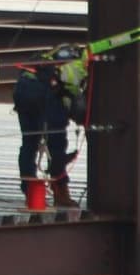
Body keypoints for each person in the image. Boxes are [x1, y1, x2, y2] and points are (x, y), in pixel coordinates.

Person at [13, 43, 86, 210]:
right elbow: (73, 98)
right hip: (43, 92)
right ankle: (60, 192)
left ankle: (30, 194)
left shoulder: (55, 56)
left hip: (23, 90)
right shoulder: (80, 67)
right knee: (57, 143)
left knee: (29, 144)